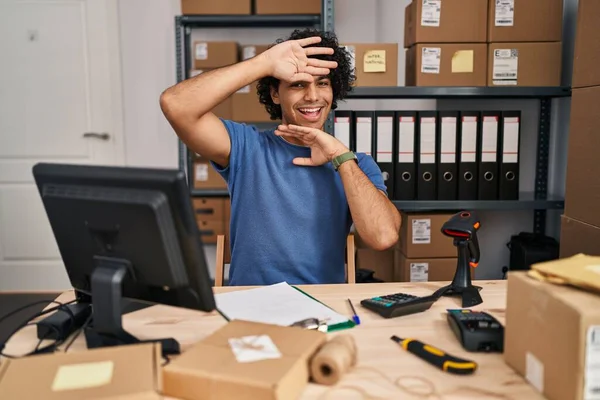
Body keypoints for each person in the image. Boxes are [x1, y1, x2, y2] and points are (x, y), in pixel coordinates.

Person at [160, 28, 401, 286]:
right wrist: (264, 63)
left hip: (321, 308)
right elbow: (175, 104)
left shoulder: (356, 165)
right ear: (275, 94)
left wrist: (340, 156)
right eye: (298, 84)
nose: (313, 96)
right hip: (251, 305)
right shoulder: (247, 147)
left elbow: (383, 237)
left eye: (322, 83)